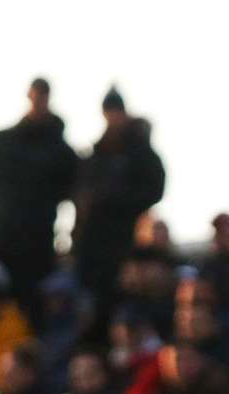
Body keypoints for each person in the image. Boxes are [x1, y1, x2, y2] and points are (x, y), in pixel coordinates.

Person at [0, 78, 79, 330]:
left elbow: (79, 195)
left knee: (35, 319)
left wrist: (70, 241)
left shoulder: (59, 151)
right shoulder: (1, 143)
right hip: (1, 246)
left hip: (40, 249)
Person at [71, 86, 166, 340]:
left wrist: (114, 201)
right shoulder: (94, 156)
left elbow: (154, 188)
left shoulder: (138, 154)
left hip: (127, 248)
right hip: (93, 251)